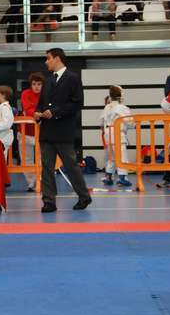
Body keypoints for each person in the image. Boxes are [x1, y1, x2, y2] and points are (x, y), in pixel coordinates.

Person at [34, 48, 92, 212]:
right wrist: (38, 113)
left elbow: (77, 103)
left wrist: (55, 112)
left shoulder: (73, 78)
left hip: (63, 131)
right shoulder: (48, 81)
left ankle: (84, 196)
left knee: (71, 166)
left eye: (48, 58)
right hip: (47, 132)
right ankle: (49, 201)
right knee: (47, 168)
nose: (46, 62)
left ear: (57, 58)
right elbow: (41, 103)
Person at [100, 86, 133, 188]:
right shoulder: (123, 108)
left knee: (111, 157)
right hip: (118, 133)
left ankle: (109, 177)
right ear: (121, 95)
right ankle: (122, 178)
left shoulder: (107, 107)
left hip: (107, 134)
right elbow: (131, 123)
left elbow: (101, 122)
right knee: (122, 156)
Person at [20, 73, 44, 191]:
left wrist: (37, 113)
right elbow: (27, 109)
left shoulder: (46, 94)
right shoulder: (25, 93)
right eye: (34, 84)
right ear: (30, 85)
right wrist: (38, 113)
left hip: (42, 132)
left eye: (39, 84)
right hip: (25, 132)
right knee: (26, 160)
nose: (36, 86)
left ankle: (41, 182)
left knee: (43, 159)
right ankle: (32, 184)